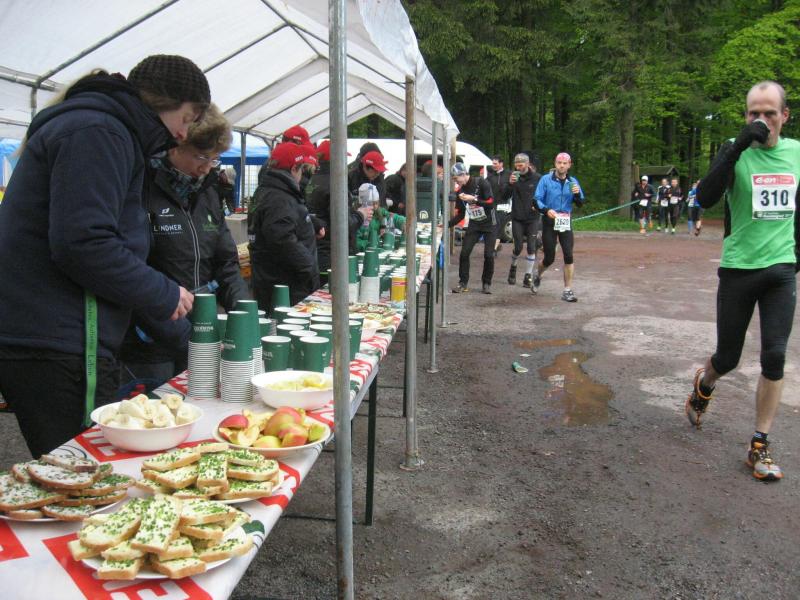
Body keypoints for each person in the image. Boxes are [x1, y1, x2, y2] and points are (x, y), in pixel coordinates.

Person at [0, 54, 209, 457]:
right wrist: (162, 292)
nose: (184, 134)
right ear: (163, 101)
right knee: (83, 467)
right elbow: (84, 244)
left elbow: (103, 246)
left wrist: (181, 334)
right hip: (58, 339)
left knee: (76, 466)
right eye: (186, 118)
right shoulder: (100, 132)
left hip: (51, 334)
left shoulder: (102, 129)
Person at [686, 80, 800, 482]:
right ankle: (705, 384)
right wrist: (737, 146)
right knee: (728, 357)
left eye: (770, 113)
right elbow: (705, 197)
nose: (762, 120)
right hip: (738, 269)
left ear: (785, 115)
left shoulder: (796, 153)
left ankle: (759, 444)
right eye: (754, 113)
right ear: (745, 115)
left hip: (781, 270)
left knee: (774, 356)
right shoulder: (733, 152)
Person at [118, 104, 249, 388]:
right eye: (201, 156)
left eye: (214, 158)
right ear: (176, 147)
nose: (207, 166)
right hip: (149, 340)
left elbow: (226, 263)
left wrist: (245, 313)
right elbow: (129, 268)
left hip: (200, 328)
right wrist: (180, 332)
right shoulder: (141, 188)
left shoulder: (208, 192)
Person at [249, 142, 321, 312]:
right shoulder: (279, 197)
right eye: (301, 169)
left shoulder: (270, 191)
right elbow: (282, 239)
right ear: (294, 168)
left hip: (276, 282)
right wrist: (310, 269)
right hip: (287, 286)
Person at [307, 139, 374, 271]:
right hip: (333, 253)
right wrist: (361, 214)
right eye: (344, 158)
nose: (345, 163)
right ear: (336, 159)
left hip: (318, 250)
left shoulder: (313, 180)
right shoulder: (335, 183)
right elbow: (343, 224)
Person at [532, 152, 585, 302]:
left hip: (565, 221)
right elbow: (536, 200)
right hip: (550, 221)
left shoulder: (573, 182)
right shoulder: (545, 179)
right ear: (555, 164)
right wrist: (546, 210)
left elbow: (581, 203)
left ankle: (567, 290)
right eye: (559, 163)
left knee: (569, 255)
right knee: (549, 258)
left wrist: (577, 195)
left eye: (564, 163)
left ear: (569, 165)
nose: (561, 166)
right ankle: (538, 274)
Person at [451, 162, 496, 294]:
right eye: (454, 179)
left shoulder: (481, 183)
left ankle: (486, 283)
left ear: (463, 174)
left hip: (490, 223)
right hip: (475, 224)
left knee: (489, 255)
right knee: (464, 253)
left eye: (456, 179)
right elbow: (461, 214)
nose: (456, 182)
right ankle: (463, 283)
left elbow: (491, 203)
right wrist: (447, 224)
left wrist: (474, 200)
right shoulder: (460, 191)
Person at [507, 153, 542, 287]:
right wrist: (510, 184)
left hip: (533, 217)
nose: (518, 167)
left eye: (521, 165)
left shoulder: (537, 178)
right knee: (518, 247)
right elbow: (504, 195)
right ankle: (513, 266)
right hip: (517, 217)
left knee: (531, 247)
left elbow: (543, 194)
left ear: (527, 164)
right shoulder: (513, 177)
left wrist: (538, 205)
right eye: (516, 165)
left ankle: (528, 276)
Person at [486, 155, 512, 255]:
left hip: (504, 205)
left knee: (499, 225)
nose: (493, 165)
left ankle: (494, 248)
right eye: (493, 163)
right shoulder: (490, 176)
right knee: (494, 225)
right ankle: (495, 246)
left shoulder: (509, 174)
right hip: (493, 205)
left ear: (501, 164)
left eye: (495, 163)